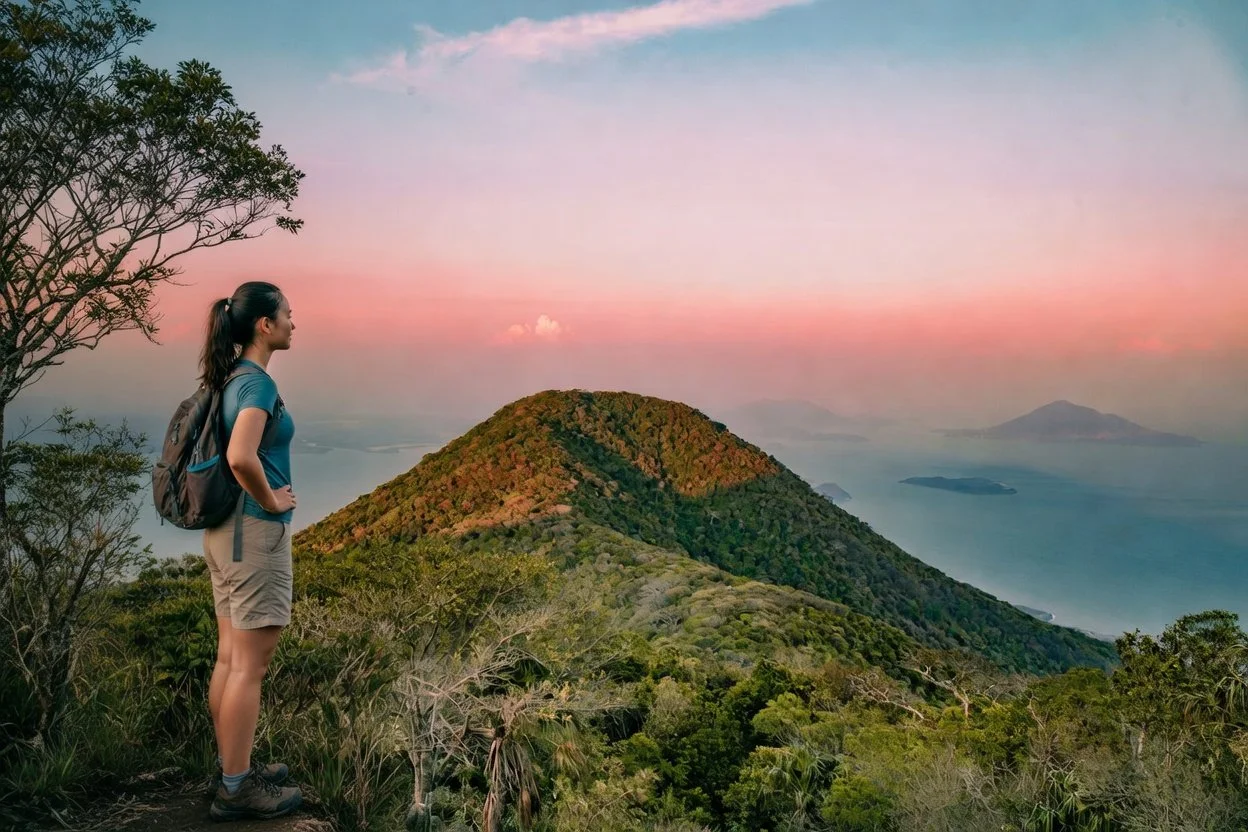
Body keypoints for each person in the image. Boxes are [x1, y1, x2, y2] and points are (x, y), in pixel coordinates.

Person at [198, 281, 302, 821]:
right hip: (254, 535)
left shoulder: (230, 378)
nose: (293, 322)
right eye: (287, 314)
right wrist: (273, 500)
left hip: (224, 534)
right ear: (265, 324)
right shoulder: (257, 384)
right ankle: (237, 790)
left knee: (229, 659)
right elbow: (242, 456)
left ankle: (230, 768)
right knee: (249, 668)